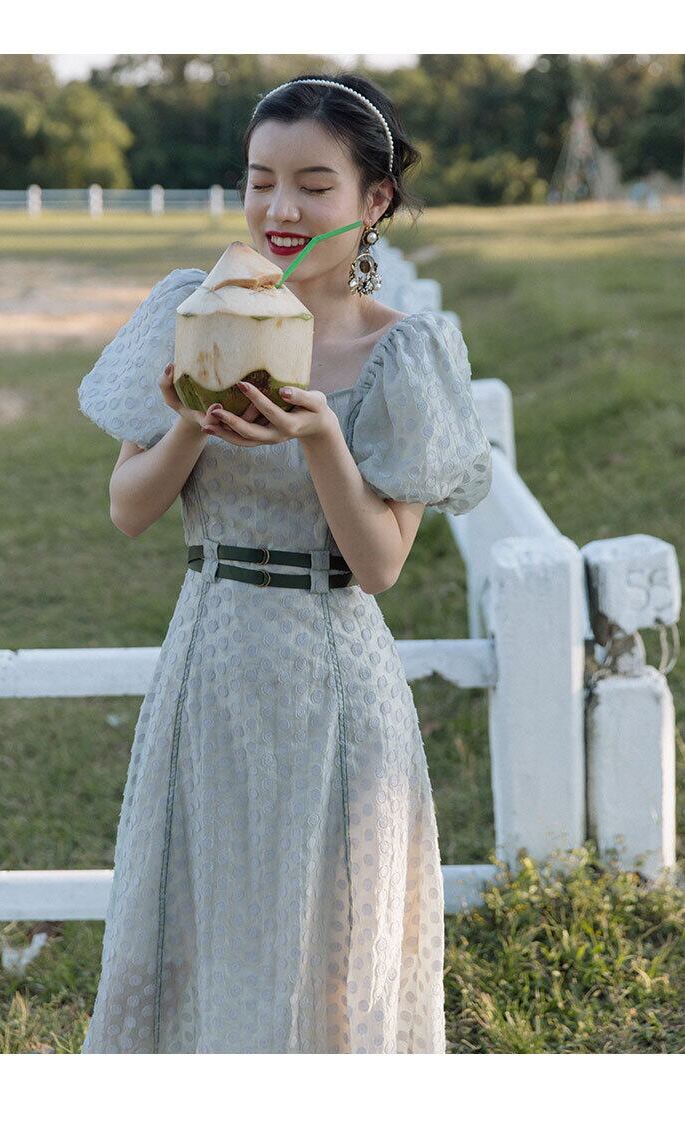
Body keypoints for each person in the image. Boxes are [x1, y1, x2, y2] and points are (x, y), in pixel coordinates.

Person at [77, 71, 493, 1054]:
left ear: (373, 200)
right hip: (209, 664)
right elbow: (129, 510)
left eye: (313, 185)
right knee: (198, 920)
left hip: (336, 682)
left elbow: (381, 564)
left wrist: (320, 437)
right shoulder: (190, 309)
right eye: (261, 181)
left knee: (329, 950)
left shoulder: (401, 352)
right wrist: (192, 418)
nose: (280, 210)